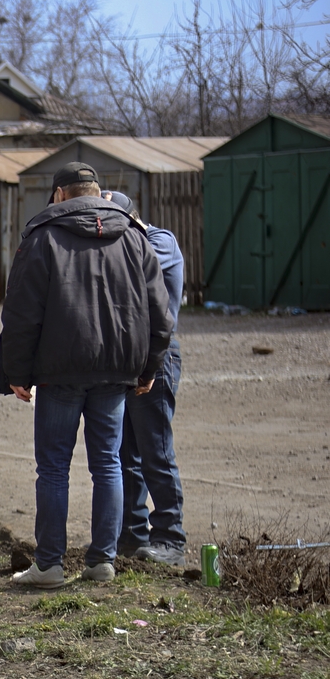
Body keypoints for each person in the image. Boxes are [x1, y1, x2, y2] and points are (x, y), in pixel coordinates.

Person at [0, 163, 172, 589]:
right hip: (116, 371)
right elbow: (159, 313)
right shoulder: (135, 237)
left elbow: (21, 314)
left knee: (54, 468)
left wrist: (16, 373)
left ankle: (50, 565)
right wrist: (148, 368)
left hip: (60, 371)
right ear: (96, 192)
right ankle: (102, 561)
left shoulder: (42, 238)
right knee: (108, 464)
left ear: (60, 195)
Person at [103, 191, 188, 567]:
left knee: (156, 451)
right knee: (125, 454)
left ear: (131, 221)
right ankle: (133, 535)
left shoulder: (160, 241)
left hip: (157, 359)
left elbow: (134, 278)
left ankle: (170, 538)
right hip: (126, 361)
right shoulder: (131, 243)